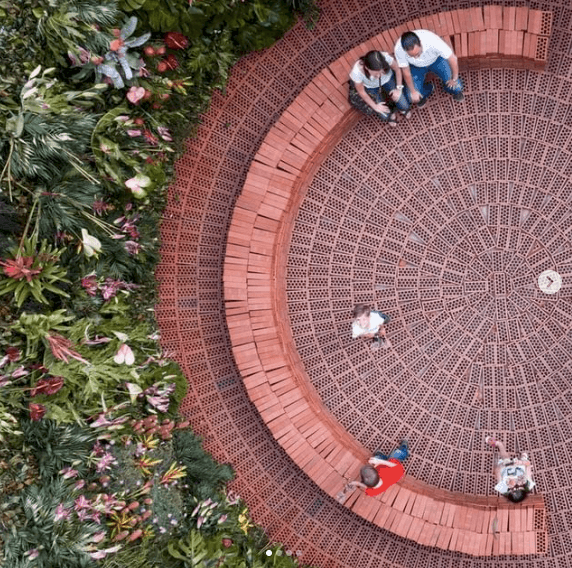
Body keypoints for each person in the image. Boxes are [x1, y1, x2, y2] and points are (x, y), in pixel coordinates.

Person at [394, 30, 464, 107]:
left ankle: (447, 87)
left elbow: (453, 58)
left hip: (436, 61)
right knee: (411, 96)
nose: (416, 57)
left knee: (457, 87)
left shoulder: (432, 40)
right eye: (412, 56)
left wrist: (454, 79)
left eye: (417, 54)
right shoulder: (399, 49)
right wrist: (413, 91)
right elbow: (406, 71)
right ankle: (428, 88)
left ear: (420, 43)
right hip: (416, 66)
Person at [348, 50, 411, 125]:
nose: (378, 77)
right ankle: (391, 113)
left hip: (388, 80)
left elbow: (397, 69)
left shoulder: (385, 58)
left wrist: (399, 89)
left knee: (404, 105)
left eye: (381, 72)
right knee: (384, 115)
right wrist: (375, 106)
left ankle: (401, 108)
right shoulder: (357, 72)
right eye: (375, 75)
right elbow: (361, 91)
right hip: (371, 87)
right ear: (367, 68)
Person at [344, 441, 409, 499]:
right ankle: (404, 449)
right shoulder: (395, 474)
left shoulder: (372, 492)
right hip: (391, 463)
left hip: (382, 465)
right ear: (377, 474)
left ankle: (381, 456)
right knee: (396, 453)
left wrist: (353, 483)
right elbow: (396, 466)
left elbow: (365, 486)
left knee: (376, 458)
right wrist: (380, 461)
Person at [486, 436, 535, 503]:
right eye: (519, 485)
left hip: (506, 469)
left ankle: (496, 443)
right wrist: (520, 462)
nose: (515, 483)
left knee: (504, 454)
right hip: (519, 468)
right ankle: (523, 455)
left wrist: (503, 465)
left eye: (512, 487)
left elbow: (497, 470)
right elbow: (528, 464)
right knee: (524, 454)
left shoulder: (502, 487)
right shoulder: (528, 484)